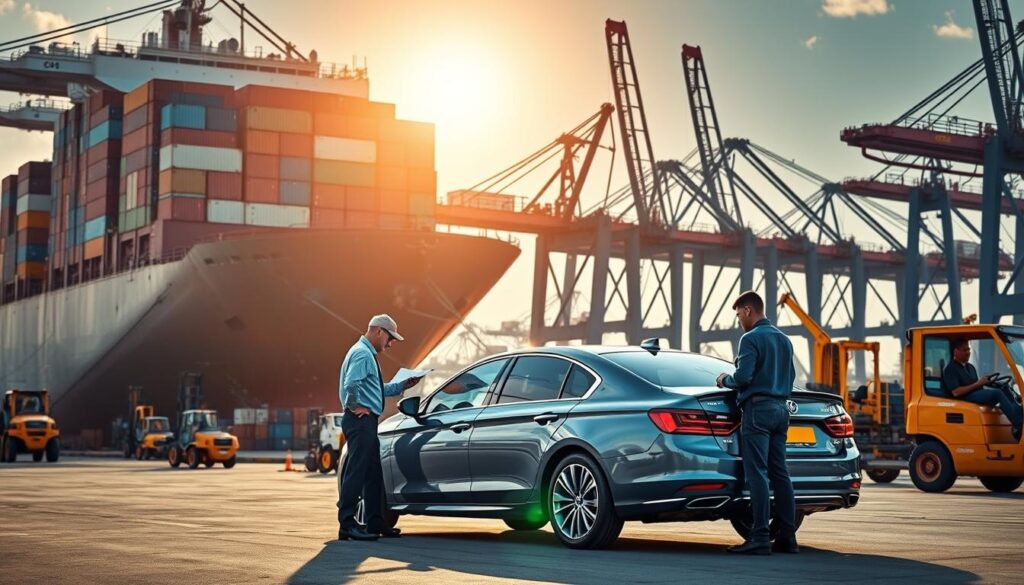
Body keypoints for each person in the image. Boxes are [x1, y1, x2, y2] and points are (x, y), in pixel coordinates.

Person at [715, 291, 798, 555]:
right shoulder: (784, 340)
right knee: (780, 473)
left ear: (748, 310)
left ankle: (760, 536)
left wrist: (723, 380)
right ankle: (787, 537)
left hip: (758, 411)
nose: (739, 319)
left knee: (758, 473)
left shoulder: (750, 339)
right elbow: (790, 376)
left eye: (739, 314)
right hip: (781, 410)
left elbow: (743, 377)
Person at [337, 314, 423, 542]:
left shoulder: (364, 353)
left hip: (366, 423)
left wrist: (402, 385)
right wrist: (355, 407)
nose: (390, 343)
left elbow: (376, 388)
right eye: (390, 337)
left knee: (373, 473)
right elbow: (351, 384)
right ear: (378, 332)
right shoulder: (362, 354)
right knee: (356, 472)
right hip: (360, 421)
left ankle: (375, 521)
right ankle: (347, 524)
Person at [943, 338, 1022, 441]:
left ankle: (1020, 417)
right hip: (964, 398)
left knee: (1004, 388)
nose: (968, 353)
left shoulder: (970, 367)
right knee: (997, 394)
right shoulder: (950, 369)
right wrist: (978, 383)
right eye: (965, 350)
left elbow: (977, 385)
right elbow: (956, 392)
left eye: (969, 350)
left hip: (975, 393)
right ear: (956, 351)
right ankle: (1018, 424)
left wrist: (987, 383)